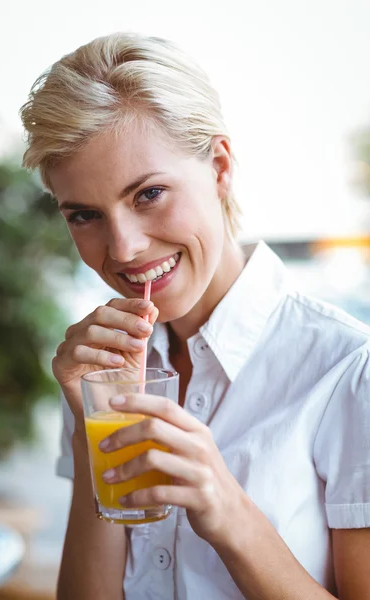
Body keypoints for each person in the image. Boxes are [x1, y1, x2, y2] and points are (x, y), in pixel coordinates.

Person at [20, 32, 370, 600]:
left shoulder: (350, 370)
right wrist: (90, 435)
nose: (124, 247)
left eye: (149, 193)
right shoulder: (99, 369)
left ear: (221, 168)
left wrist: (228, 511)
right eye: (84, 214)